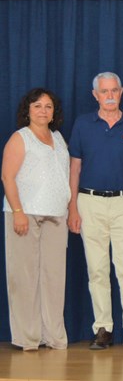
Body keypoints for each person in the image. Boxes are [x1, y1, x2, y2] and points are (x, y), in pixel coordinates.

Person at [68, 72, 123, 351]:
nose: (110, 95)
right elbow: (75, 168)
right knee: (97, 269)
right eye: (104, 91)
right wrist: (72, 208)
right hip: (89, 202)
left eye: (114, 90)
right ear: (95, 95)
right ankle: (103, 328)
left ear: (122, 91)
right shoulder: (82, 125)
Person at [1, 88, 70, 350]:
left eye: (48, 106)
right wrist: (18, 212)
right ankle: (27, 337)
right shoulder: (21, 138)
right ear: (27, 110)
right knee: (24, 277)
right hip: (25, 215)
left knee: (54, 278)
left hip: (56, 215)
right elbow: (7, 177)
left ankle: (52, 335)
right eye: (38, 106)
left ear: (54, 112)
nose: (43, 111)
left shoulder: (58, 137)